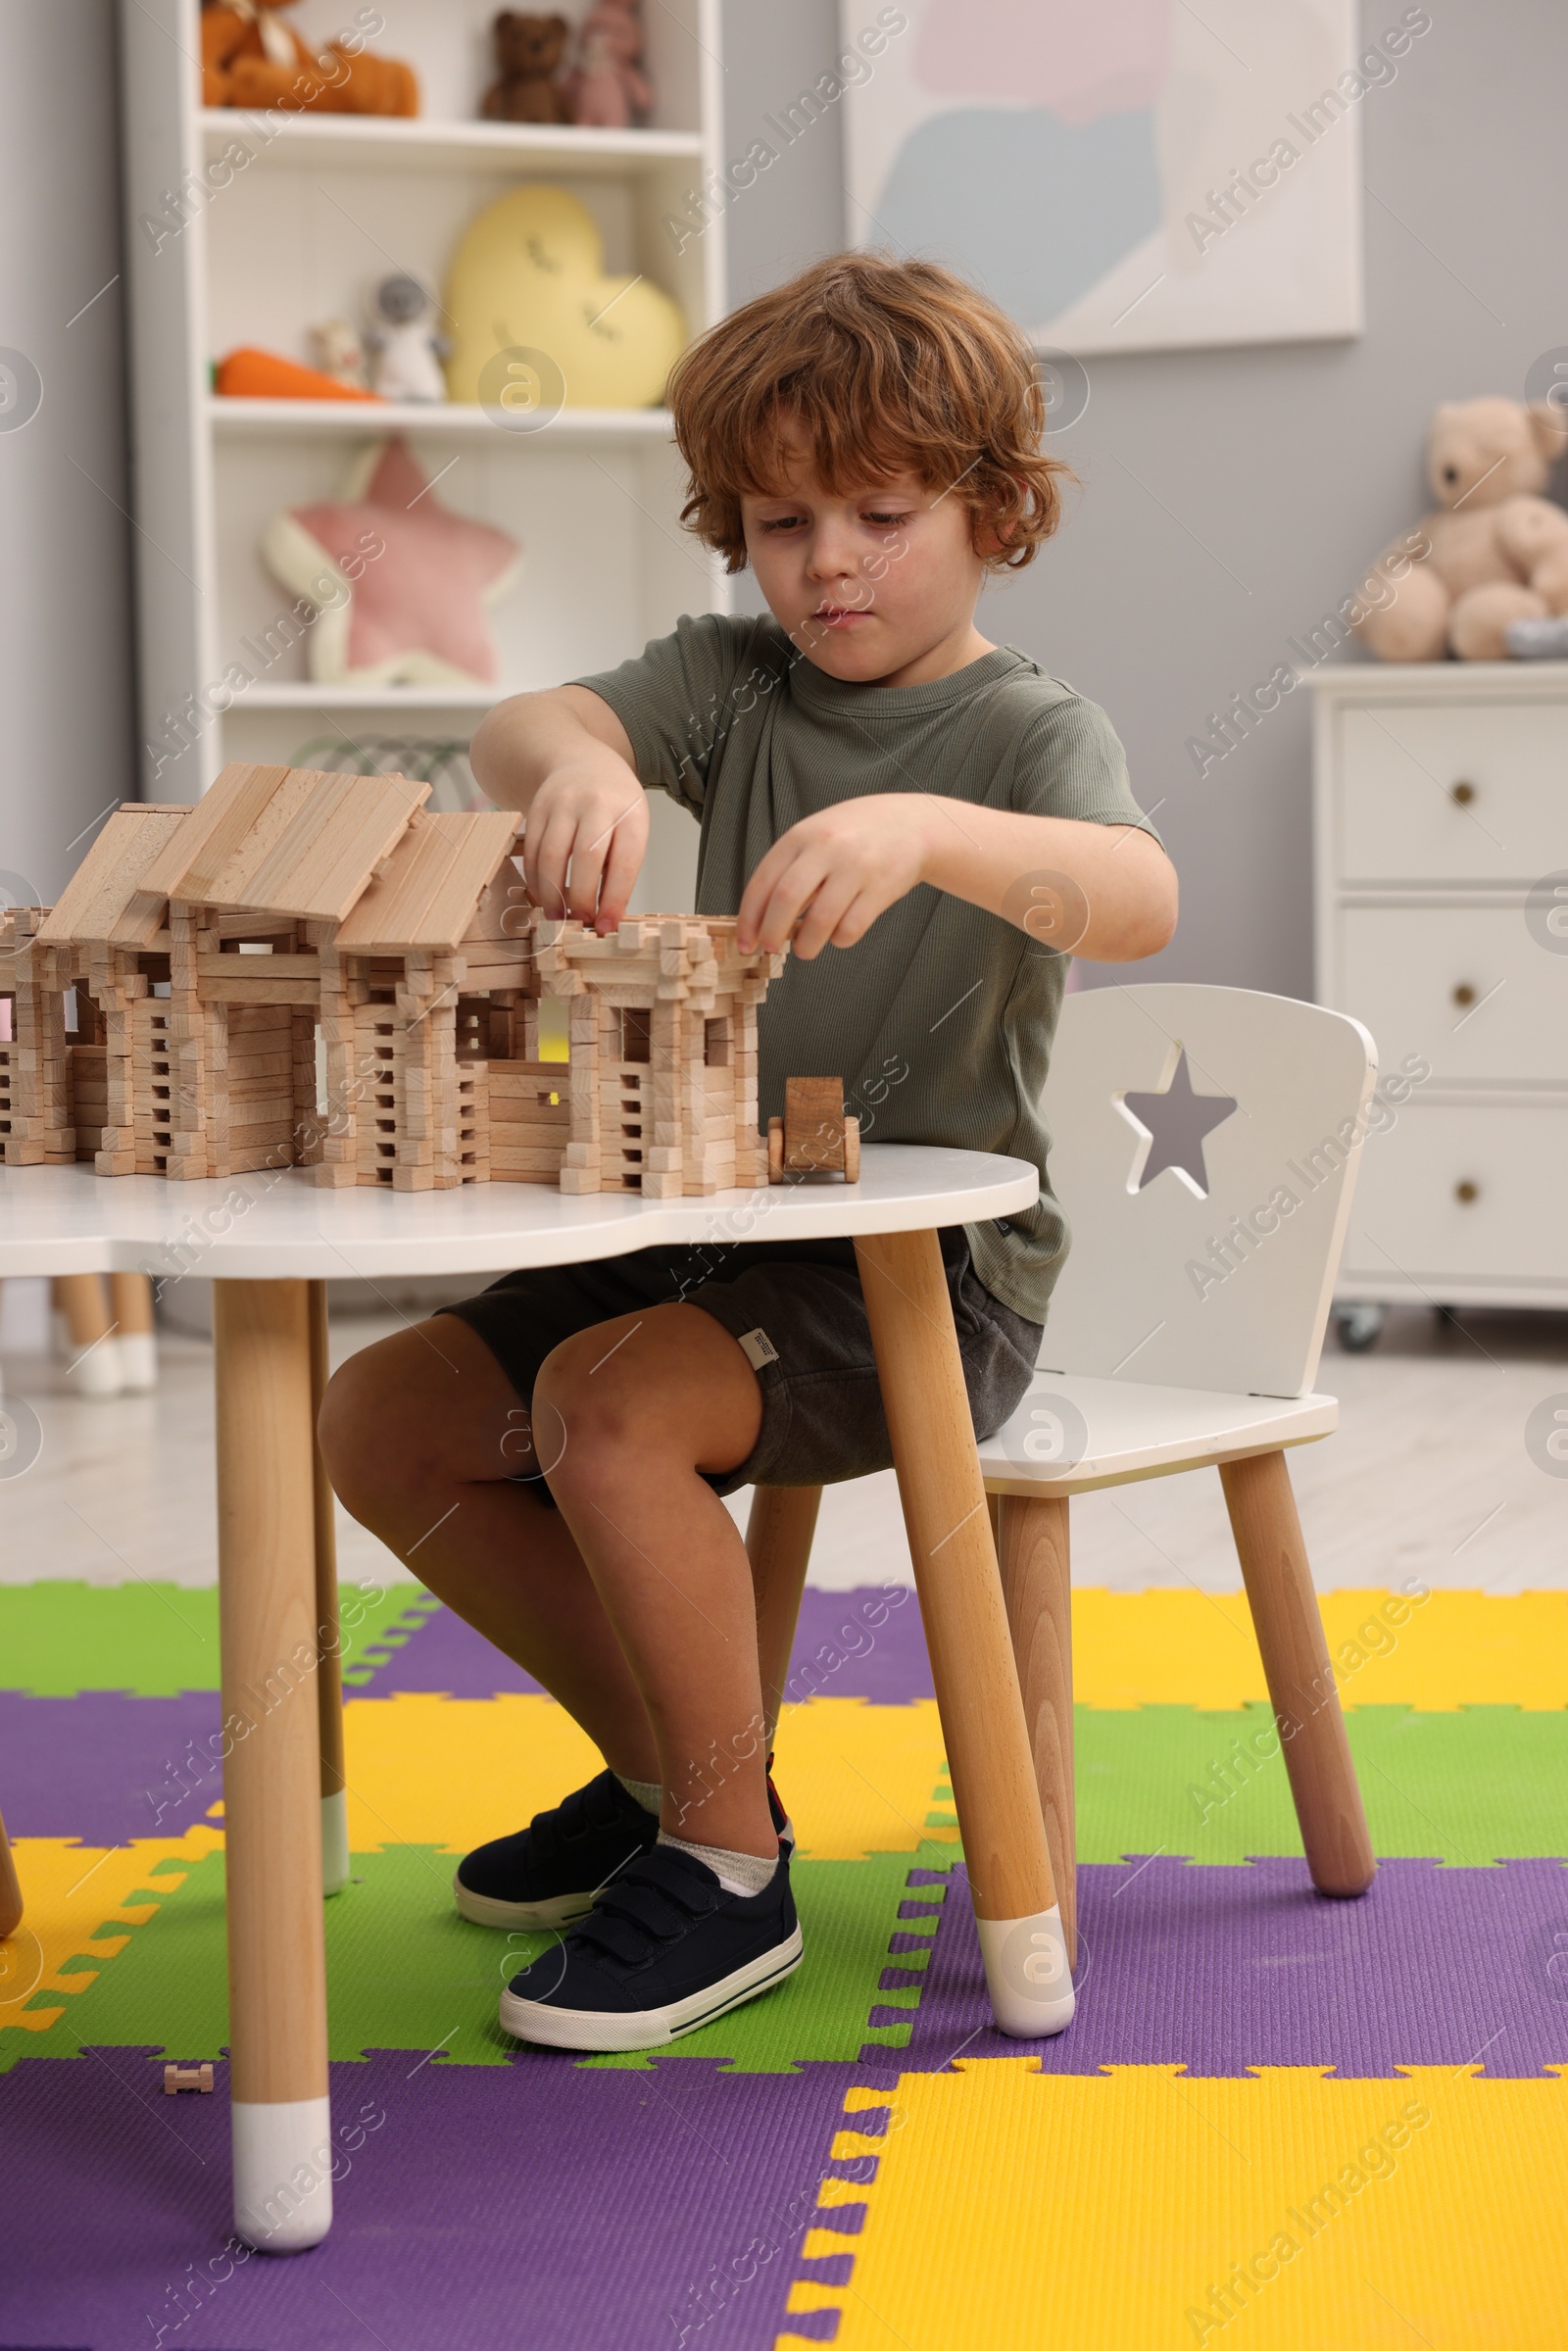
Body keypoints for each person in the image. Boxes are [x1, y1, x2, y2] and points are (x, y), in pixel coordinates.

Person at [319, 251, 1177, 2053]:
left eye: (882, 512)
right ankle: (669, 1767)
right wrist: (583, 769)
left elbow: (1140, 902)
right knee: (376, 1420)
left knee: (610, 1413)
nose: (832, 564)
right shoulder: (735, 685)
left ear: (994, 511)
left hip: (922, 1278)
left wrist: (936, 830)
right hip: (717, 1217)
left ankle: (724, 1865)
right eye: (783, 523)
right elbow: (517, 723)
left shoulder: (1026, 732)